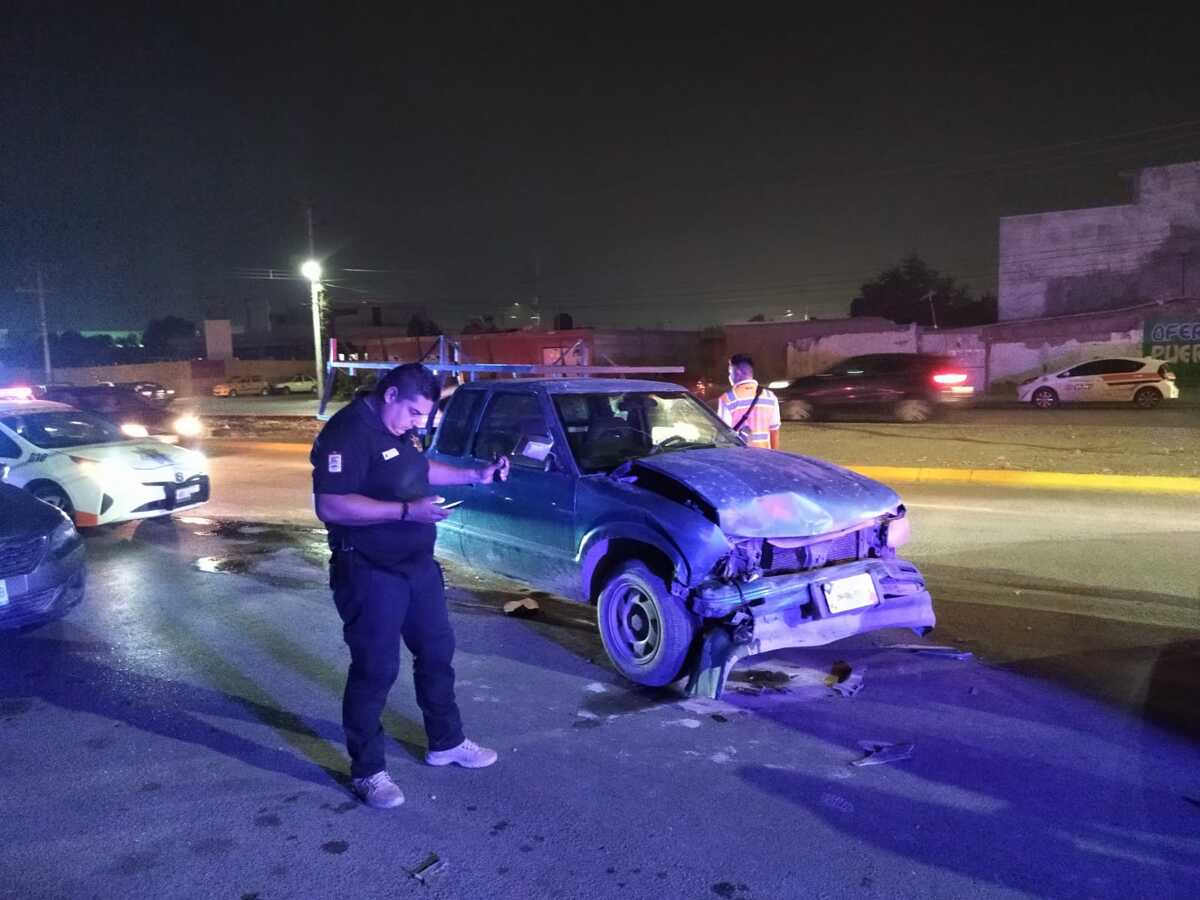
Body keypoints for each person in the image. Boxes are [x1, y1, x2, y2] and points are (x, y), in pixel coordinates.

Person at [310, 363, 510, 809]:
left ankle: (446, 741)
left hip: (416, 565)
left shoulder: (399, 429)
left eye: (425, 416)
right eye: (415, 412)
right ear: (391, 394)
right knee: (376, 670)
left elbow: (421, 469)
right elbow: (331, 504)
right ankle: (367, 770)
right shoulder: (347, 433)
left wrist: (477, 475)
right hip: (367, 569)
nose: (419, 422)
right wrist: (406, 513)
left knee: (437, 653)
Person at [716, 353, 781, 449]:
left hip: (741, 460)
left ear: (737, 372)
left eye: (730, 373)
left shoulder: (727, 399)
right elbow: (774, 431)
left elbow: (723, 436)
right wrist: (774, 456)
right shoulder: (770, 397)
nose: (729, 376)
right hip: (764, 457)